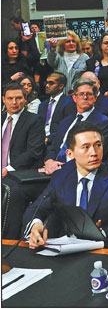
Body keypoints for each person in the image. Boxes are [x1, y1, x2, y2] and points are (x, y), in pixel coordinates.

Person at [24, 122, 108, 250]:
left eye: (98, 145)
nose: (94, 153)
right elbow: (37, 207)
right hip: (66, 248)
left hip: (105, 249)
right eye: (86, 147)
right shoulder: (61, 175)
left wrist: (102, 234)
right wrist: (36, 225)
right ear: (70, 154)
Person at [1, 83, 45, 239]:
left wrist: (8, 168)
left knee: (10, 190)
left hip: (20, 173)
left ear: (25, 99)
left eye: (18, 98)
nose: (14, 102)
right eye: (10, 98)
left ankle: (7, 239)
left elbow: (34, 152)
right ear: (3, 100)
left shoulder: (34, 120)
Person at [44, 78, 108, 175]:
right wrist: (49, 161)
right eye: (81, 94)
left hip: (77, 172)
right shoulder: (66, 121)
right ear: (74, 98)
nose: (85, 97)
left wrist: (62, 167)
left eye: (89, 94)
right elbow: (54, 146)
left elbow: (96, 155)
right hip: (53, 169)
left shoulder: (102, 122)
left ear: (95, 98)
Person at [46, 31, 89, 95]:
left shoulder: (84, 57)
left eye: (73, 41)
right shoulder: (58, 56)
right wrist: (53, 48)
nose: (71, 43)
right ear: (63, 44)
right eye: (68, 41)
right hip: (60, 96)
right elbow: (51, 62)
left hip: (78, 95)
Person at [38, 72, 69, 138]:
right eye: (46, 82)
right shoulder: (42, 105)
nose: (47, 85)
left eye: (51, 83)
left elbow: (65, 129)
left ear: (61, 86)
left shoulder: (68, 103)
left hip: (56, 142)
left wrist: (48, 139)